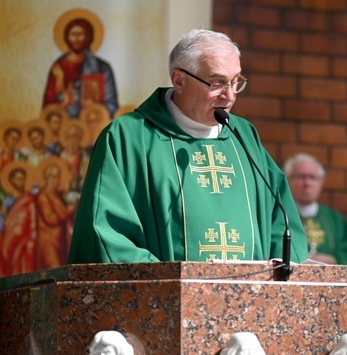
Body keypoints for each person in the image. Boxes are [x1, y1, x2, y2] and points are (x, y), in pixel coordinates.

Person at [67, 29, 308, 265]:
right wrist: (167, 281)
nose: (230, 96)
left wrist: (278, 267)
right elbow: (106, 233)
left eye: (236, 82)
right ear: (179, 80)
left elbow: (282, 219)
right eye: (217, 83)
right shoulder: (126, 139)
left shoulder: (244, 135)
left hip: (251, 298)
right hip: (166, 301)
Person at [283, 153, 347, 264]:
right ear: (288, 181)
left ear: (321, 183)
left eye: (312, 177)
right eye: (301, 177)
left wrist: (332, 260)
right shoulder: (279, 216)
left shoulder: (337, 222)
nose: (307, 183)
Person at [43, 17, 119, 119]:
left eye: (80, 34)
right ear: (66, 37)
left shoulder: (102, 67)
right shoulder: (58, 68)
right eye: (72, 35)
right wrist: (63, 105)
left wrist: (94, 106)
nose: (76, 39)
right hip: (64, 128)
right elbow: (47, 109)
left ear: (88, 37)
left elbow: (113, 107)